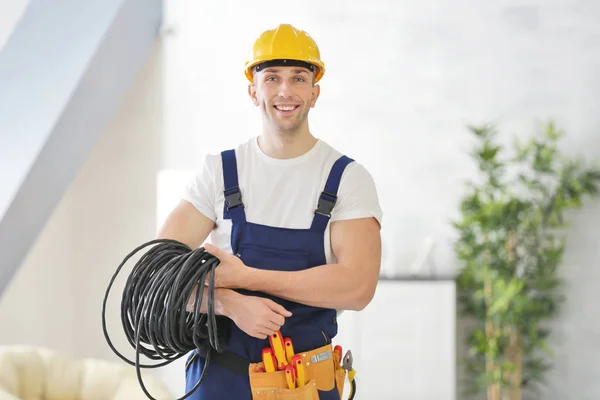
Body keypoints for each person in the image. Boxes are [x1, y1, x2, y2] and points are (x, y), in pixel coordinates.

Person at [157, 23, 383, 400]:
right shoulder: (219, 172)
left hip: (306, 383)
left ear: (314, 92)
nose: (285, 90)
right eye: (272, 77)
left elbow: (358, 288)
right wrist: (228, 303)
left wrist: (248, 276)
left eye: (298, 78)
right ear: (253, 90)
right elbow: (159, 274)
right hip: (217, 379)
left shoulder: (346, 179)